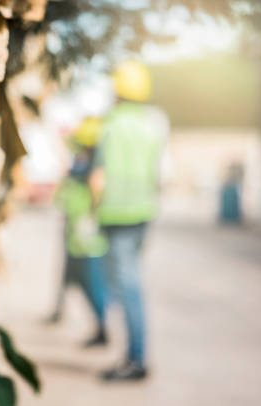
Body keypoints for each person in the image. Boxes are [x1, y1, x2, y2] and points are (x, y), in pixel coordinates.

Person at [89, 60, 168, 381]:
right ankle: (128, 350)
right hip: (143, 214)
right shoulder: (153, 125)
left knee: (127, 286)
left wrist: (93, 211)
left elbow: (98, 178)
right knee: (128, 283)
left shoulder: (110, 125)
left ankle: (136, 360)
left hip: (116, 216)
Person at [48, 117, 109, 347]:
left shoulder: (93, 163)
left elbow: (96, 186)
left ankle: (102, 328)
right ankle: (98, 327)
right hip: (77, 228)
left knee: (92, 282)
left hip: (85, 233)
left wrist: (91, 217)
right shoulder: (84, 156)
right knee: (79, 280)